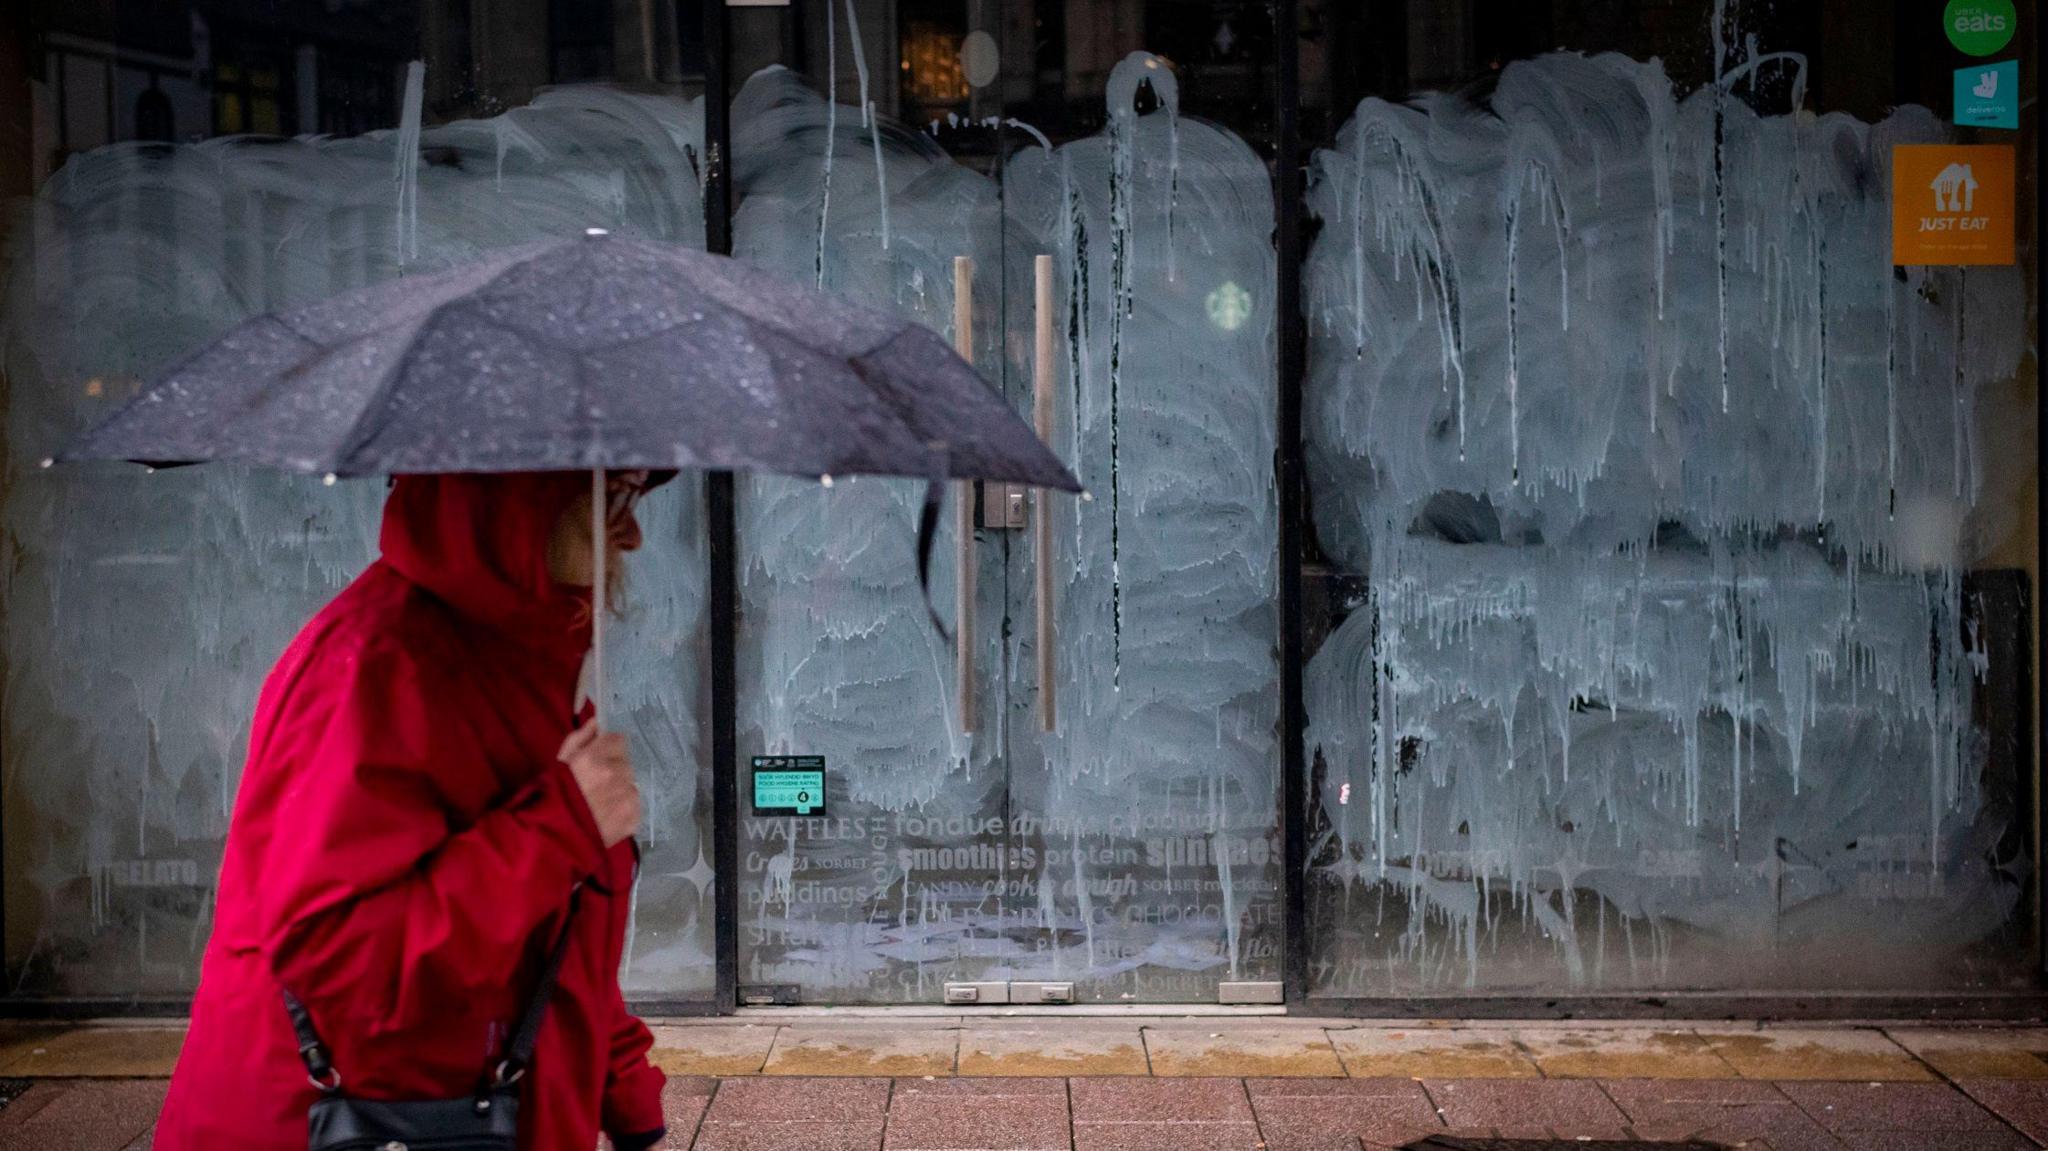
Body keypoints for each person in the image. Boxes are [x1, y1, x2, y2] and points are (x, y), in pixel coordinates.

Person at [156, 470, 667, 1150]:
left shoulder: (520, 664)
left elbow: (554, 936)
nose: (631, 534)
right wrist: (560, 828)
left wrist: (625, 1088)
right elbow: (343, 959)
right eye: (610, 500)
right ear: (522, 499)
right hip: (336, 1123)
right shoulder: (376, 666)